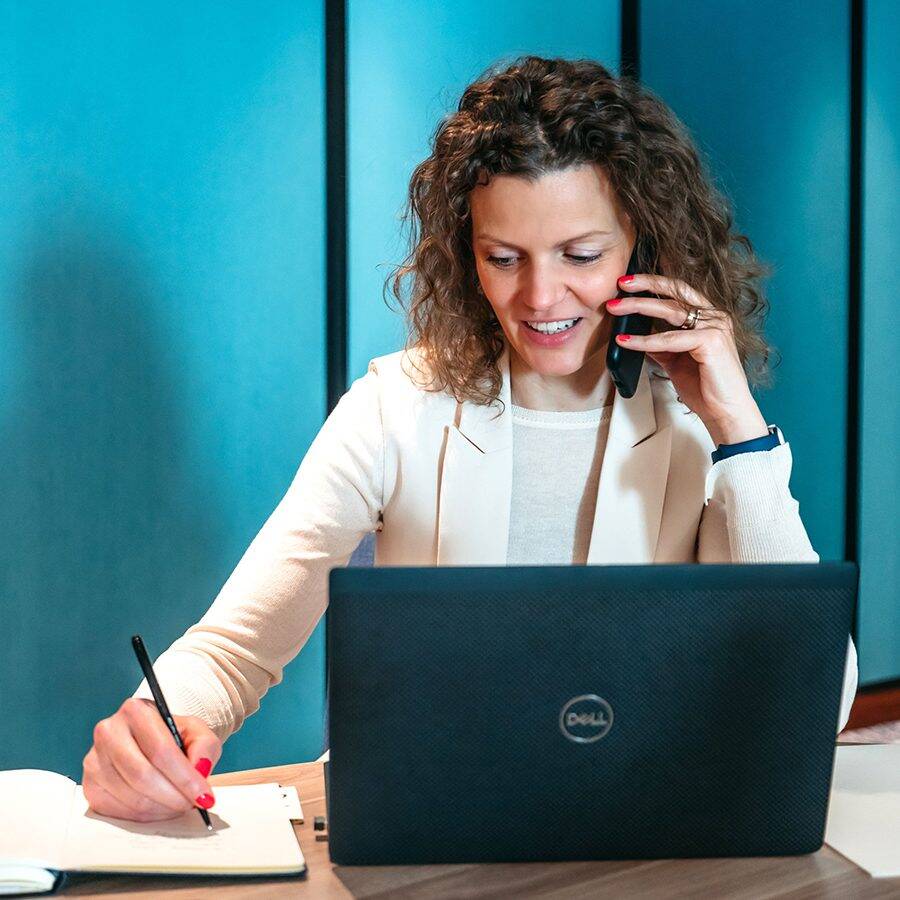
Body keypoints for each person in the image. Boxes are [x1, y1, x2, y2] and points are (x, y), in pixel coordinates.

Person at [82, 55, 858, 823]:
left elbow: (814, 697)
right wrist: (153, 730)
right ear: (466, 256)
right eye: (504, 258)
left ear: (642, 250)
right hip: (425, 827)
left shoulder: (698, 428)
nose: (541, 296)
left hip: (635, 825)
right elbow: (234, 653)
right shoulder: (393, 408)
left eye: (581, 256)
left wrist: (739, 433)